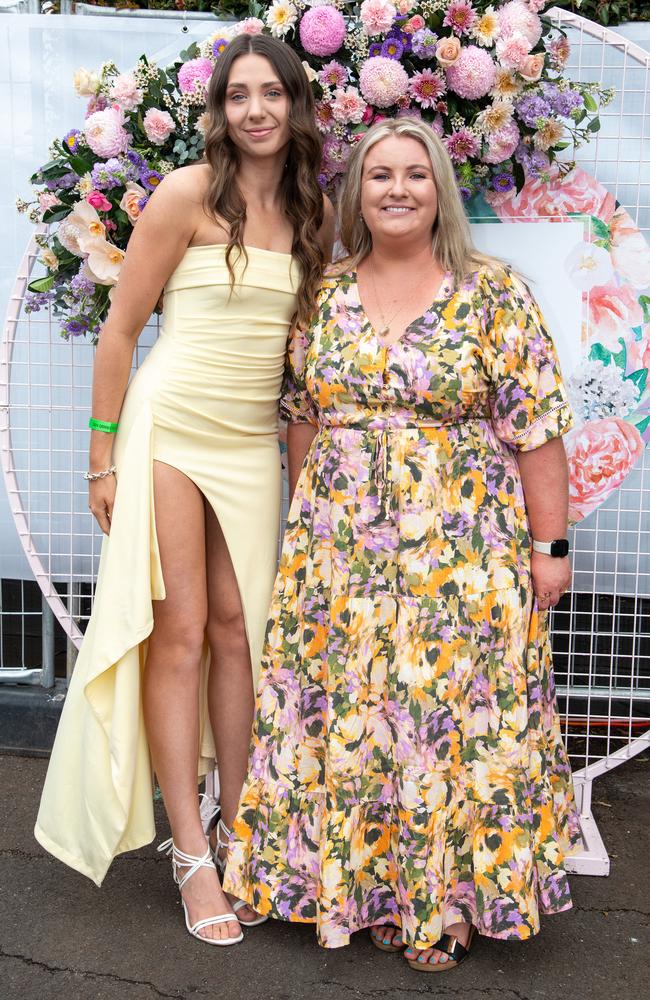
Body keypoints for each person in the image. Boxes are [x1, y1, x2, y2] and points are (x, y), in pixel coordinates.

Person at [223, 117, 580, 970]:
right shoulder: (322, 294)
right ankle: (366, 890)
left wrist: (550, 549)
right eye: (379, 175)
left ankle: (448, 903)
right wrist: (304, 540)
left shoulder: (495, 294)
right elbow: (301, 424)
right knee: (358, 717)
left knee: (452, 720)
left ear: (440, 191)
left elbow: (537, 430)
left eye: (415, 175)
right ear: (355, 192)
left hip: (463, 547)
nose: (396, 190)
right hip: (339, 548)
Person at [35, 33, 334, 946]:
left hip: (249, 443)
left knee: (245, 630)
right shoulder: (184, 193)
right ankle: (193, 852)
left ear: (295, 105)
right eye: (238, 95)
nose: (255, 111)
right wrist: (101, 457)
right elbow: (122, 331)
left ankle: (243, 824)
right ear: (219, 109)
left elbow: (301, 361)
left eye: (270, 95)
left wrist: (305, 468)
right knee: (184, 629)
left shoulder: (315, 208)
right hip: (168, 428)